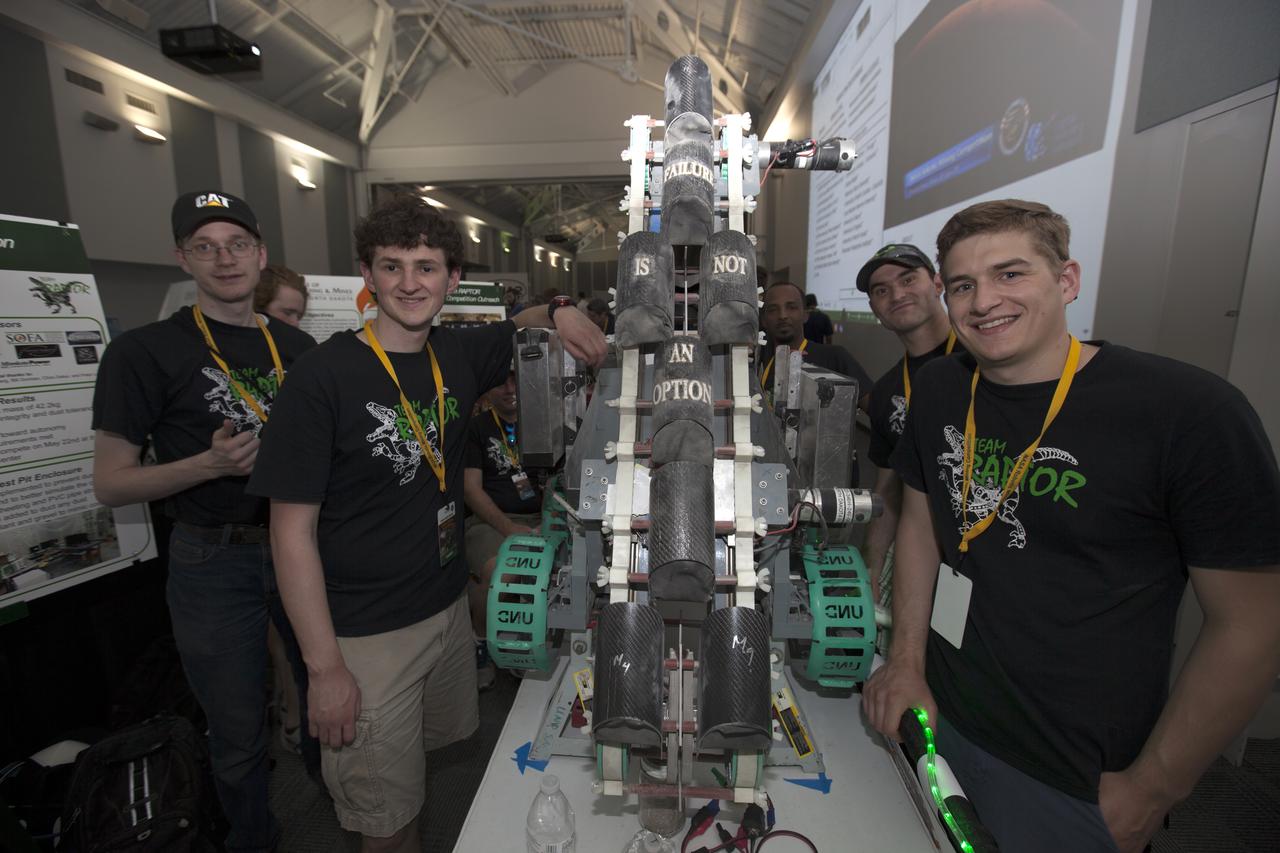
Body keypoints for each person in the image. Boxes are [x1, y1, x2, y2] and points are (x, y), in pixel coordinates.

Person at [864, 199, 1280, 853]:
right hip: (941, 719)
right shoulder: (943, 388)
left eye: (1011, 274)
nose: (984, 301)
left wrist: (1151, 788)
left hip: (1072, 773)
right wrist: (906, 662)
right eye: (964, 284)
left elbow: (1253, 624)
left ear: (1067, 281)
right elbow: (920, 518)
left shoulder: (1187, 413)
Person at [247, 196, 606, 853]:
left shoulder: (458, 354)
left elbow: (525, 317)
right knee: (382, 821)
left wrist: (561, 309)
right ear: (367, 273)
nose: (410, 282)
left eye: (426, 266)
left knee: (413, 786)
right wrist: (323, 667)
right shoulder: (321, 378)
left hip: (442, 614)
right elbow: (289, 532)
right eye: (392, 266)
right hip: (365, 634)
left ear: (452, 278)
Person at [91, 190, 317, 853]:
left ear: (262, 254)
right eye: (205, 246)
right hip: (212, 560)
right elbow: (111, 481)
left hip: (298, 546)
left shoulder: (299, 348)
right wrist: (208, 465)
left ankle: (338, 814)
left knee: (325, 694)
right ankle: (253, 838)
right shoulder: (144, 353)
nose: (225, 259)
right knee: (239, 728)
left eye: (238, 244)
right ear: (181, 258)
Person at [858, 244, 958, 602]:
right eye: (881, 291)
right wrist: (872, 563)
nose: (896, 295)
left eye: (907, 279)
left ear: (937, 283)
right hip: (929, 555)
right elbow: (889, 488)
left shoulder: (984, 361)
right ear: (875, 309)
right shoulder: (887, 391)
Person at [463, 367, 543, 690]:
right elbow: (471, 490)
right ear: (487, 390)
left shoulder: (540, 422)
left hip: (539, 519)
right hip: (490, 522)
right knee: (502, 570)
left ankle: (524, 642)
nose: (510, 389)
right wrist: (509, 528)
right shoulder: (476, 429)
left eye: (515, 380)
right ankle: (480, 639)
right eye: (501, 382)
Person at [758, 281, 872, 411]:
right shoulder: (759, 359)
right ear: (764, 321)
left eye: (791, 307)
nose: (783, 315)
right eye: (773, 310)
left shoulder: (835, 358)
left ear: (805, 315)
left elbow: (878, 413)